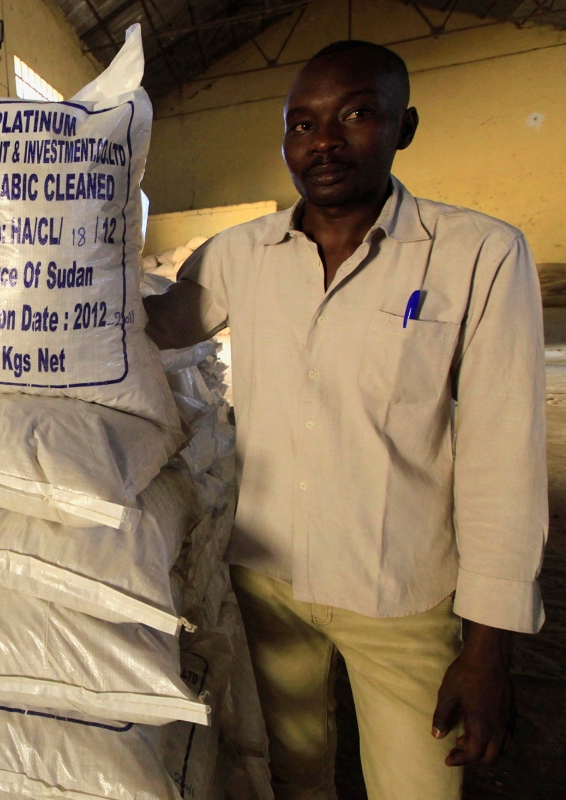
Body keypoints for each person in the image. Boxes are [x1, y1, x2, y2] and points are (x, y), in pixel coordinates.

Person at [145, 40, 547, 799]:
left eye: (356, 115)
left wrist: (490, 647)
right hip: (266, 582)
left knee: (418, 786)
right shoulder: (240, 254)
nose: (323, 142)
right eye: (302, 125)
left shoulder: (478, 255)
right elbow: (154, 328)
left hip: (400, 593)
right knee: (292, 777)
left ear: (405, 126)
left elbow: (504, 455)